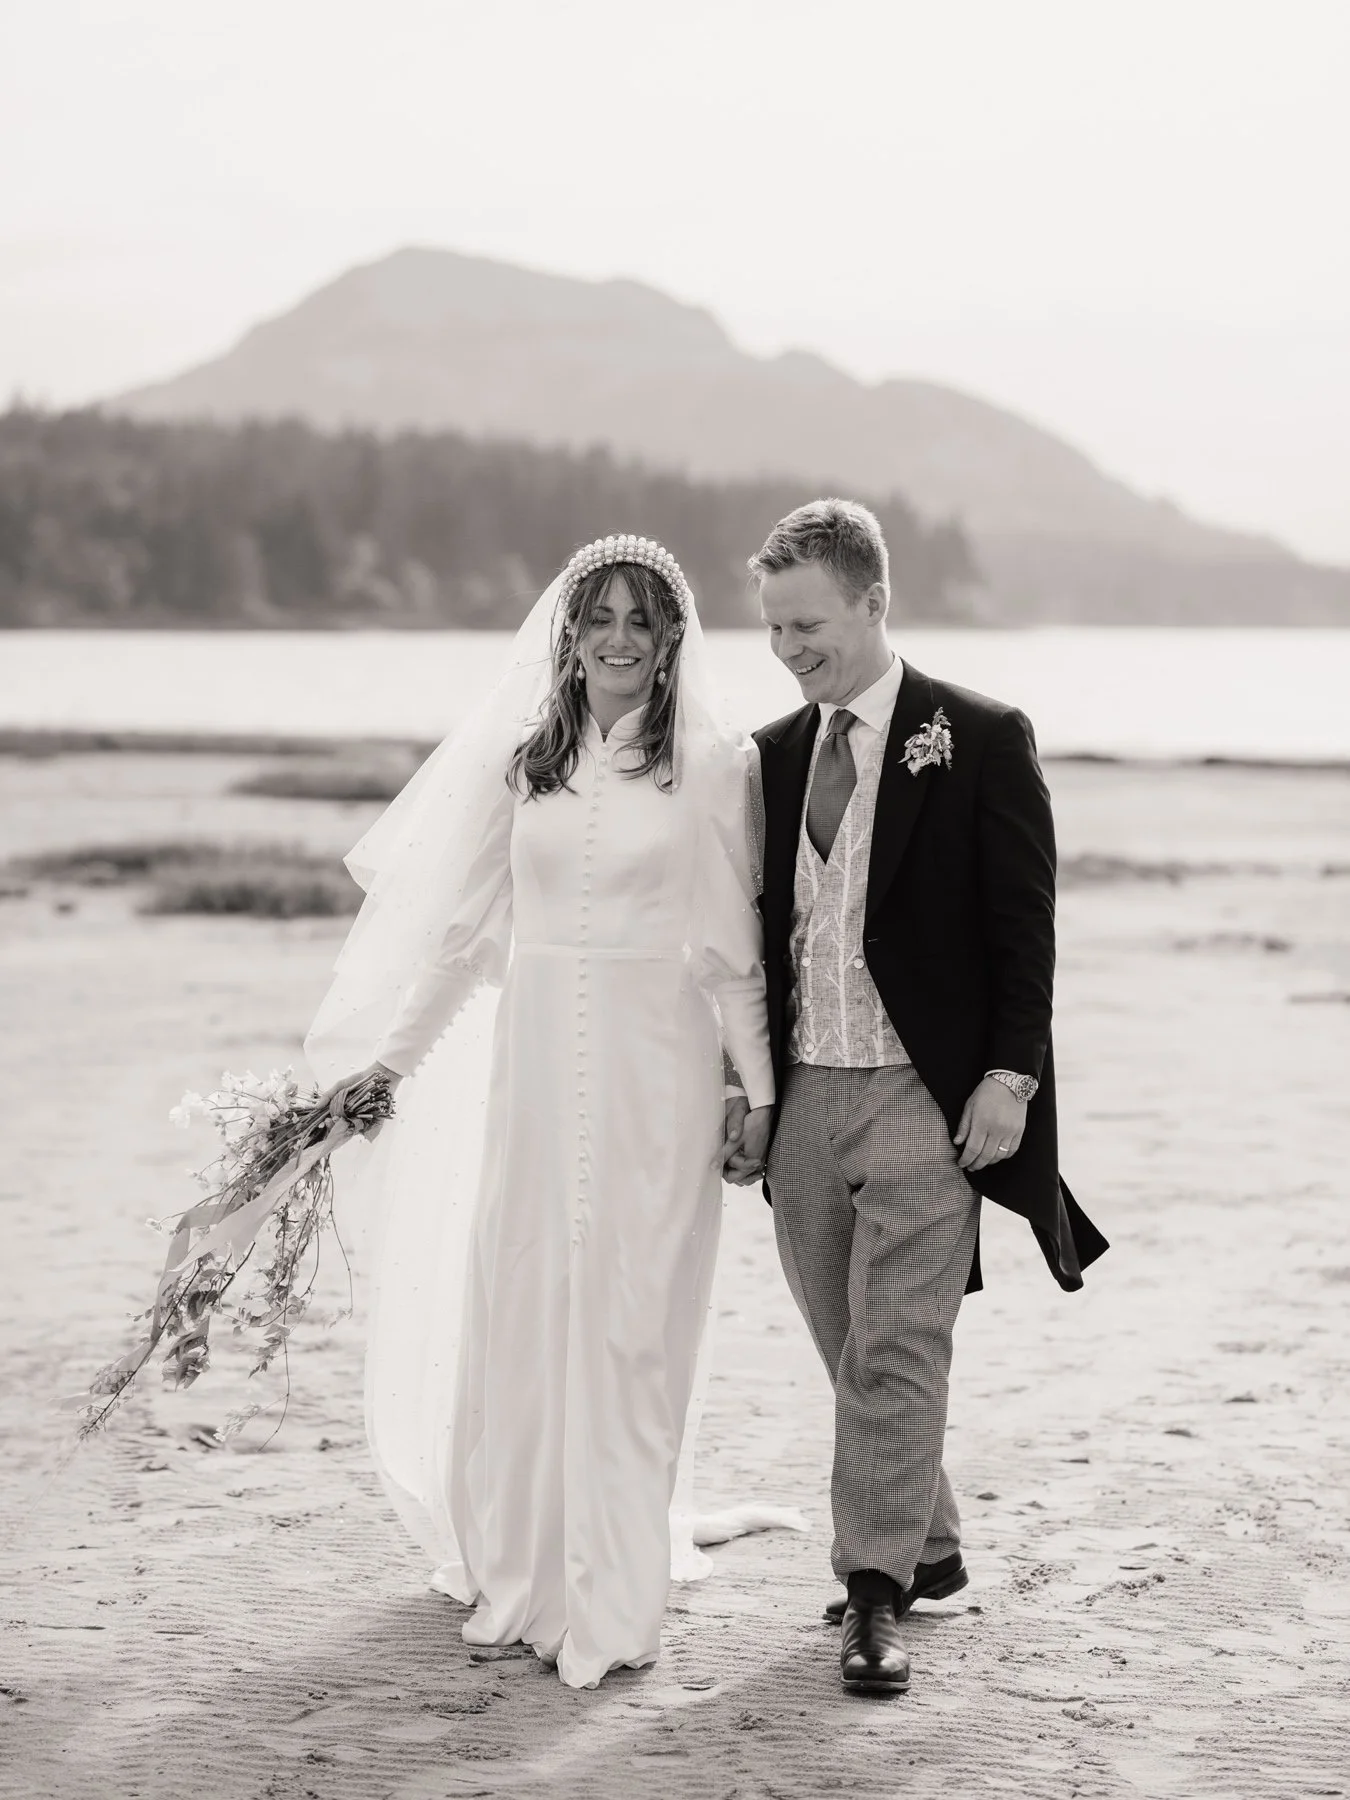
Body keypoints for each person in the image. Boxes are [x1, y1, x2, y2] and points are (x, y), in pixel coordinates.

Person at [305, 536, 782, 1690]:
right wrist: (389, 1067)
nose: (619, 638)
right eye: (600, 616)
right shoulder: (527, 767)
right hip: (531, 1078)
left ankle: (612, 1597)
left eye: (643, 620)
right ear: (567, 633)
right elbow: (467, 942)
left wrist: (757, 1091)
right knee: (528, 1304)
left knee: (628, 1324)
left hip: (654, 1076)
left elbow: (729, 953)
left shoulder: (714, 768)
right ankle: (525, 1569)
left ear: (673, 641)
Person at [723, 499, 1109, 1695]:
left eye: (809, 624)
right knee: (849, 1351)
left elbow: (1022, 929)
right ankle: (927, 1549)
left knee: (896, 1349)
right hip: (802, 1108)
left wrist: (1010, 1078)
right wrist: (748, 1094)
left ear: (875, 601)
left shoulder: (981, 737)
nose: (790, 649)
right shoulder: (772, 755)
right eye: (775, 629)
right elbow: (754, 937)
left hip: (921, 1101)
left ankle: (872, 1597)